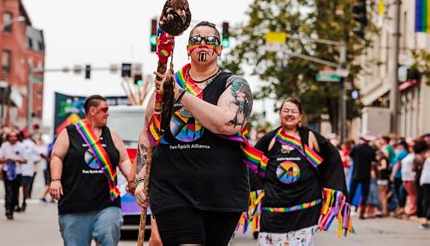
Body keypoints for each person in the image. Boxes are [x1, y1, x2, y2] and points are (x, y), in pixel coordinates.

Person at [135, 21, 257, 246]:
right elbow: (147, 133)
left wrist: (179, 95)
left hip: (222, 192)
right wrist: (141, 179)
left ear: (219, 48)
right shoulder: (167, 84)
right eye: (196, 40)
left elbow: (226, 123)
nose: (203, 44)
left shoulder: (234, 85)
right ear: (188, 48)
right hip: (172, 189)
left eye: (210, 40)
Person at [253, 98, 351, 245]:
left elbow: (332, 156)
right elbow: (252, 160)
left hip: (306, 205)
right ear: (280, 115)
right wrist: (256, 190)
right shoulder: (271, 139)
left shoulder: (310, 137)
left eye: (294, 111)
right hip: (274, 206)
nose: (289, 114)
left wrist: (332, 189)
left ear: (300, 116)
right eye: (286, 111)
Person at [50, 95, 133, 246]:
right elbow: (56, 156)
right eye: (104, 110)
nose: (107, 113)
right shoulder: (70, 133)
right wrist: (55, 180)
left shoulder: (112, 135)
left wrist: (132, 180)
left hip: (107, 203)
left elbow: (123, 160)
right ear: (92, 111)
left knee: (108, 235)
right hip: (74, 205)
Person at [0, 129, 27, 220]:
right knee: (8, 191)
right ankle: (8, 209)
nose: (13, 138)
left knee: (15, 192)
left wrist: (16, 160)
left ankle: (13, 207)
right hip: (7, 172)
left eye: (15, 137)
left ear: (17, 138)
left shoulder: (21, 146)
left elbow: (25, 160)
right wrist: (7, 159)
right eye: (11, 137)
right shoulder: (4, 146)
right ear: (8, 138)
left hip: (18, 173)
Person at [349, 134, 376, 219]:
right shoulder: (371, 150)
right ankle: (362, 212)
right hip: (366, 174)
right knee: (365, 193)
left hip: (356, 173)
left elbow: (350, 156)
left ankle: (346, 210)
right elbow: (373, 162)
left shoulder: (356, 148)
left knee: (352, 192)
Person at [391, 139, 409, 217]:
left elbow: (398, 164)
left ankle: (400, 208)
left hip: (399, 175)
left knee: (399, 192)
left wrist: (393, 174)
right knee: (398, 192)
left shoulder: (403, 153)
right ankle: (399, 208)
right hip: (399, 175)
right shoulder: (402, 152)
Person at [376, 150, 391, 217]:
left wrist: (378, 168)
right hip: (384, 179)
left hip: (382, 179)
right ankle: (384, 210)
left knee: (383, 195)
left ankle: (384, 210)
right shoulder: (385, 159)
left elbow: (384, 167)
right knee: (382, 195)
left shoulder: (383, 159)